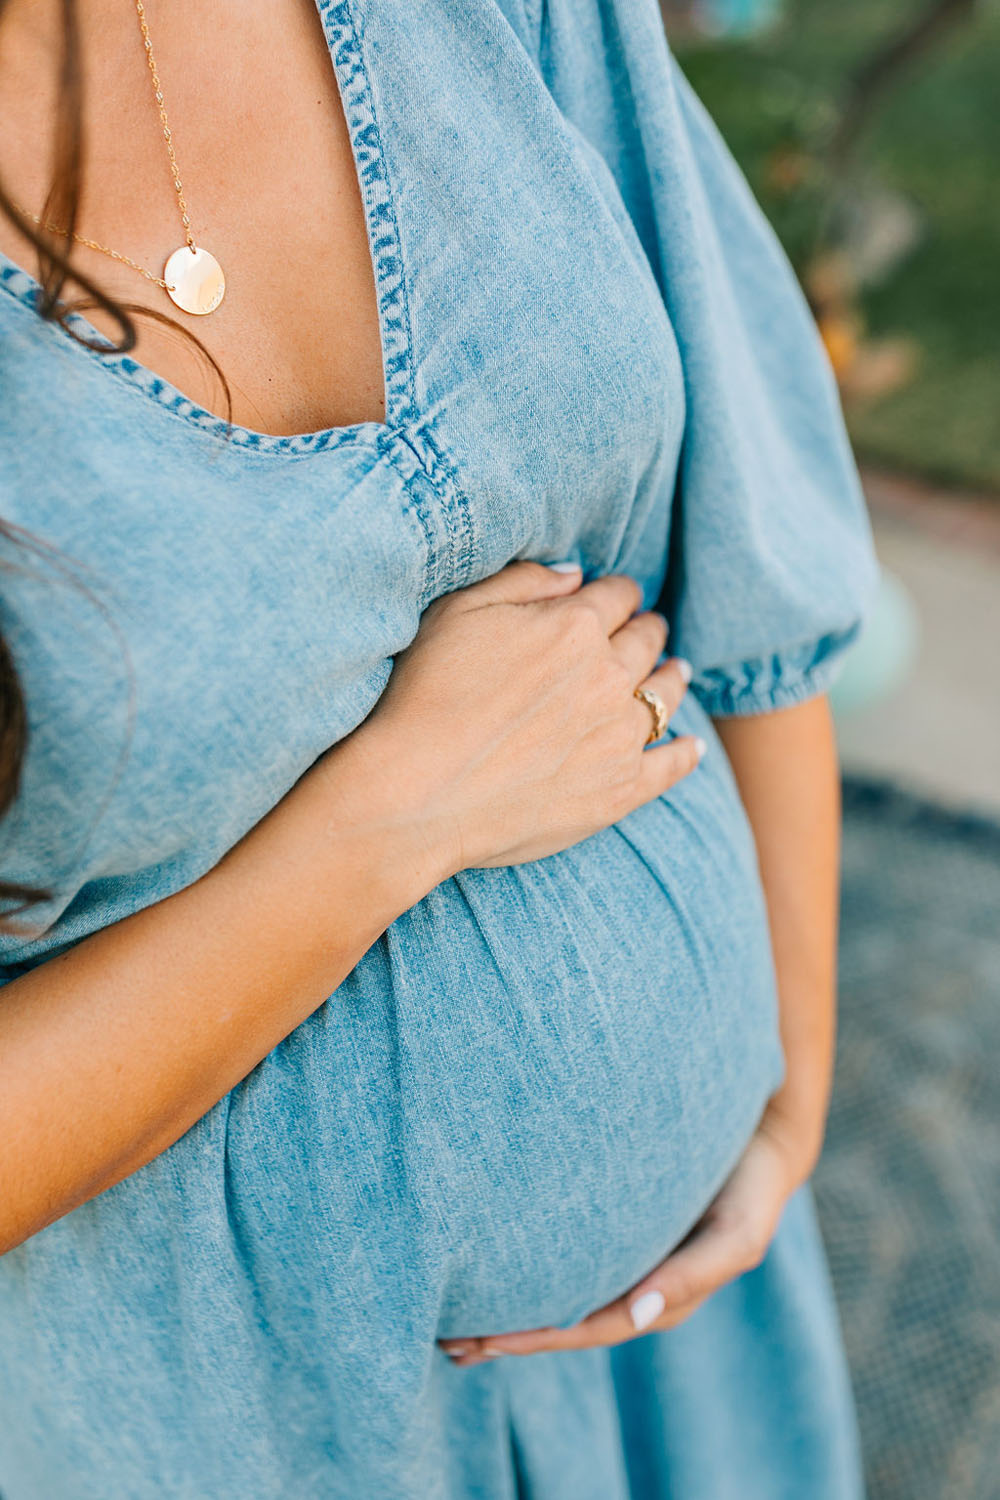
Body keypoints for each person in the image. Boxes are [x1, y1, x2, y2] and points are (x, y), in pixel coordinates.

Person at [0, 0, 879, 1495]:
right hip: (222, 1418)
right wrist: (386, 826)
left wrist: (788, 1091)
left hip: (678, 1354)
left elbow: (751, 528)